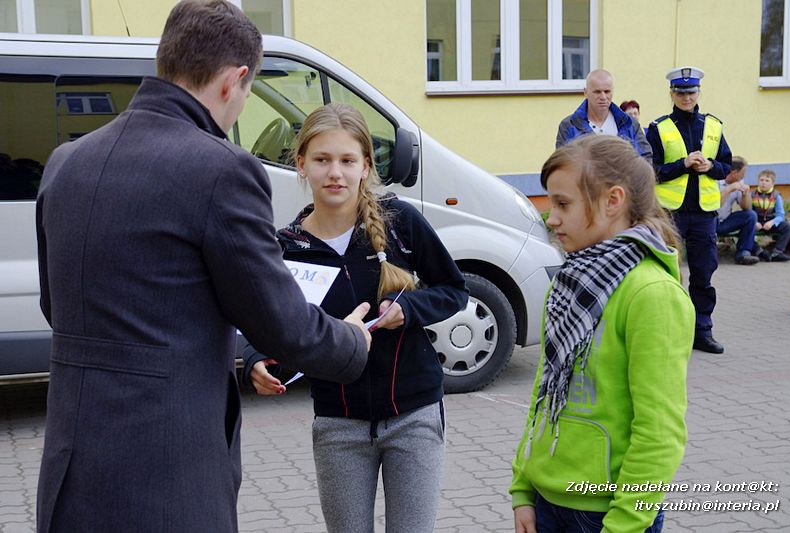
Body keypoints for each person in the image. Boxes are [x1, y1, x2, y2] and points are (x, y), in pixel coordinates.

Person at [35, 2, 371, 532]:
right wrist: (352, 341)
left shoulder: (66, 161)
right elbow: (281, 324)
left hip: (70, 470)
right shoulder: (222, 169)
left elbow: (56, 306)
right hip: (167, 474)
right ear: (235, 80)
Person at [243, 103, 469, 533]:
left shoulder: (401, 222)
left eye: (347, 161)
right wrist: (255, 358)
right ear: (301, 164)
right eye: (322, 160)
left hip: (414, 416)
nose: (335, 173)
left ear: (366, 166)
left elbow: (453, 290)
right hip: (338, 424)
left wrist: (409, 310)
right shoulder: (286, 247)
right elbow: (266, 322)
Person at [509, 135, 693, 533]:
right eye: (550, 203)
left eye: (563, 204)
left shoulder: (652, 293)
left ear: (613, 201)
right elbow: (545, 390)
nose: (551, 218)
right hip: (546, 500)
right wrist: (523, 487)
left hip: (608, 514)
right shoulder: (570, 282)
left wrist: (624, 524)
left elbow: (660, 431)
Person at [646, 66, 732, 354]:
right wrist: (682, 164)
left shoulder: (714, 126)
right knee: (667, 275)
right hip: (670, 214)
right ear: (672, 94)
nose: (686, 97)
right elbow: (651, 170)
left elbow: (726, 166)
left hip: (704, 213)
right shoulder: (659, 128)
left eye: (691, 92)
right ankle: (667, 332)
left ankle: (702, 331)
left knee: (703, 274)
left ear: (698, 93)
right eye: (681, 92)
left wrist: (711, 166)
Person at [555, 69, 652, 162]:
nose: (603, 97)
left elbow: (645, 159)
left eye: (607, 92)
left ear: (613, 91)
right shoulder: (569, 125)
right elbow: (561, 163)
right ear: (585, 92)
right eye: (597, 92)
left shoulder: (629, 124)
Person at [717, 156, 759, 265]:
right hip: (710, 221)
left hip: (725, 221)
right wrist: (729, 189)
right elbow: (715, 204)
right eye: (743, 173)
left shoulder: (739, 182)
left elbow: (747, 208)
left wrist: (745, 195)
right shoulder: (715, 180)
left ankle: (743, 253)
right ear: (734, 173)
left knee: (750, 215)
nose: (744, 176)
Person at [750, 169, 790, 262]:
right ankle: (759, 251)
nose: (763, 183)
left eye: (767, 181)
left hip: (770, 221)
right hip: (756, 221)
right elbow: (749, 211)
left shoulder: (776, 196)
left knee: (788, 226)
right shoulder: (752, 195)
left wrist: (772, 222)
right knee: (745, 230)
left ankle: (777, 252)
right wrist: (755, 222)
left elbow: (780, 214)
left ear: (772, 183)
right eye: (761, 180)